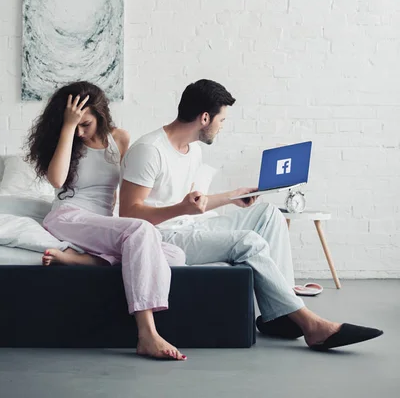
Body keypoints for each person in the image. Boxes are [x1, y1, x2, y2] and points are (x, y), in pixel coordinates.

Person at [119, 79, 383, 352]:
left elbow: (194, 205)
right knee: (247, 241)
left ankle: (278, 316)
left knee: (268, 214)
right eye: (222, 119)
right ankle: (311, 326)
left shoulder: (192, 150)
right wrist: (182, 210)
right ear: (205, 117)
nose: (222, 126)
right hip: (162, 238)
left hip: (189, 225)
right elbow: (129, 214)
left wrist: (233, 196)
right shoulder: (149, 150)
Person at [26, 81, 187, 361]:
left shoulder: (119, 139)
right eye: (75, 124)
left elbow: (129, 192)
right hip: (69, 216)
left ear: (100, 115)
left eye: (85, 124)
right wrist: (67, 126)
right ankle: (147, 332)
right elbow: (56, 180)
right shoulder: (67, 138)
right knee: (141, 232)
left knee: (174, 255)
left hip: (101, 222)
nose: (80, 131)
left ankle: (82, 260)